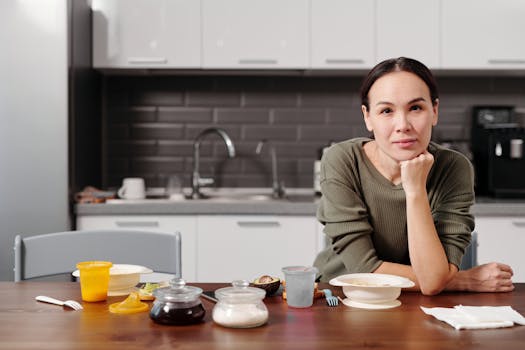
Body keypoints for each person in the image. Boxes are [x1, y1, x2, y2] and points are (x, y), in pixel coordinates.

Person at [313, 57, 514, 295]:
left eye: (416, 108)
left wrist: (415, 189)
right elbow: (365, 268)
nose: (403, 125)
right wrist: (462, 281)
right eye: (386, 110)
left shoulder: (454, 168)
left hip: (420, 303)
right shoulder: (342, 160)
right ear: (368, 117)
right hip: (337, 297)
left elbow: (432, 282)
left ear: (434, 111)